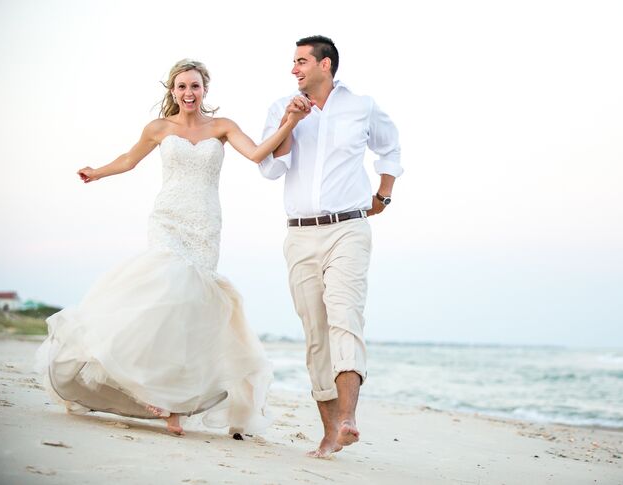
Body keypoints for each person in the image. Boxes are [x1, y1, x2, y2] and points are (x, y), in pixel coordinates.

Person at [36, 59, 307, 436]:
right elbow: (130, 160)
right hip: (167, 219)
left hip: (205, 225)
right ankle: (141, 383)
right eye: (181, 87)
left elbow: (259, 153)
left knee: (189, 311)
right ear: (172, 91)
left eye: (194, 86)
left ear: (205, 89)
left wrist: (290, 122)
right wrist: (97, 171)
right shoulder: (159, 128)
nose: (188, 93)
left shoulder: (223, 127)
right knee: (165, 291)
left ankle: (174, 405)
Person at [260, 35, 403, 457]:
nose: (294, 69)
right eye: (293, 62)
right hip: (300, 232)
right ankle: (328, 432)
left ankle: (348, 419)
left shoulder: (362, 106)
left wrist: (384, 196)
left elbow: (390, 148)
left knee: (345, 316)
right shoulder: (281, 107)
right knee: (316, 333)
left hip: (348, 228)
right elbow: (270, 167)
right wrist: (289, 121)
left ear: (325, 65)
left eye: (301, 61)